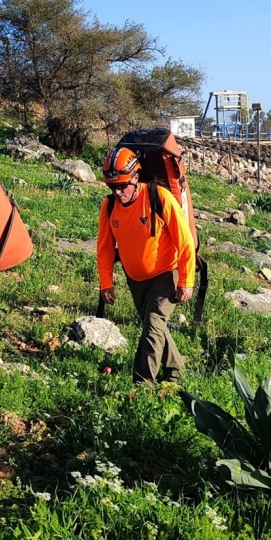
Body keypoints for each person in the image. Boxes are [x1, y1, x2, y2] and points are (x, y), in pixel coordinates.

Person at [97, 148, 196, 384]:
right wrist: (106, 283)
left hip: (166, 275)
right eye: (112, 187)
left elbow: (185, 242)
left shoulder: (159, 197)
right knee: (156, 327)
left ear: (135, 177)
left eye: (122, 186)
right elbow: (105, 249)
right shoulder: (109, 207)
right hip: (136, 280)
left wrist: (186, 280)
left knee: (152, 329)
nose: (117, 192)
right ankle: (175, 371)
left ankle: (142, 386)